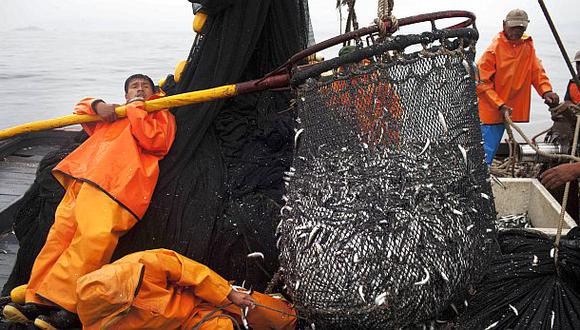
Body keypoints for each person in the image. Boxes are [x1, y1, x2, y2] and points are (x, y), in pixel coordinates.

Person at [3, 74, 176, 328]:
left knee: (92, 242)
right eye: (133, 87)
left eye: (145, 87)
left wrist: (137, 108)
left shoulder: (159, 113)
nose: (139, 90)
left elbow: (156, 142)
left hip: (116, 187)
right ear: (125, 94)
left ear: (154, 92)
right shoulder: (113, 114)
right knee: (57, 240)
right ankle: (37, 300)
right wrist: (98, 105)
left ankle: (69, 308)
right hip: (81, 181)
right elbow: (81, 108)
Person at [73, 249, 296, 329]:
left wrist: (230, 294)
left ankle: (294, 319)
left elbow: (192, 273)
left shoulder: (141, 263)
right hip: (188, 324)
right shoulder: (101, 325)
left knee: (273, 313)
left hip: (201, 297)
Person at [477, 9, 560, 164]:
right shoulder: (493, 50)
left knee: (490, 151)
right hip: (490, 111)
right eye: (513, 27)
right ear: (504, 25)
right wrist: (499, 104)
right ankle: (478, 183)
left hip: (508, 109)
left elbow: (537, 71)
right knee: (484, 153)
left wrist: (546, 91)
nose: (516, 31)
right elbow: (481, 83)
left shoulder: (527, 47)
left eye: (520, 28)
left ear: (526, 27)